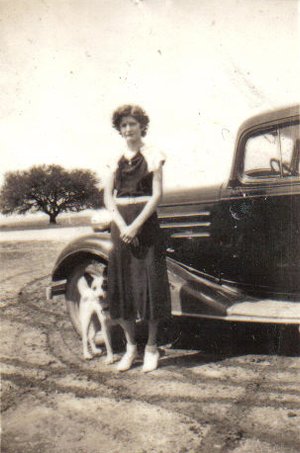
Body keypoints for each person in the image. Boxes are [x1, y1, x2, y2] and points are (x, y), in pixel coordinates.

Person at [104, 104, 171, 373]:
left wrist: (136, 226)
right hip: (121, 224)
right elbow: (108, 196)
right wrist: (122, 226)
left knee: (151, 286)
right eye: (123, 125)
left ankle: (152, 347)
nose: (128, 129)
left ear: (142, 126)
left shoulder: (154, 154)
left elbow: (157, 195)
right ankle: (131, 347)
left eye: (132, 124)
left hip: (145, 223)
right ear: (119, 130)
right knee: (123, 286)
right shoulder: (114, 158)